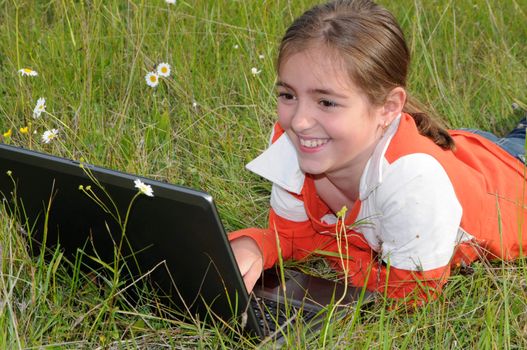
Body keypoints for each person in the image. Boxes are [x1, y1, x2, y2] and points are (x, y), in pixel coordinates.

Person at [229, 0, 527, 301]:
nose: (300, 121)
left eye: (327, 102)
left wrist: (336, 248)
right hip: (464, 150)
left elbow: (411, 292)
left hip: (513, 173)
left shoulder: (414, 181)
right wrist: (256, 245)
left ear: (388, 108)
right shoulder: (293, 143)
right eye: (288, 95)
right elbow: (293, 238)